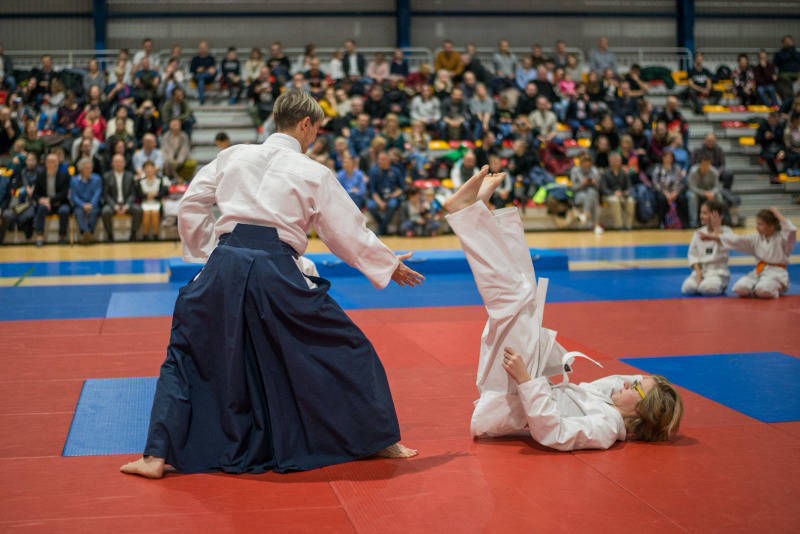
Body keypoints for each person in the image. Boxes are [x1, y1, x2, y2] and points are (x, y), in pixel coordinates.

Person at [120, 89, 421, 479]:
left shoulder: (234, 155)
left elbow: (192, 202)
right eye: (316, 129)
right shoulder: (313, 172)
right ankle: (377, 439)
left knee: (186, 351)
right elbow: (345, 231)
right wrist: (388, 264)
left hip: (224, 262)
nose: (316, 137)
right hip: (275, 269)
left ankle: (155, 456)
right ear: (305, 124)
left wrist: (207, 253)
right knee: (346, 348)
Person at [442, 168, 683, 449]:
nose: (628, 384)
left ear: (641, 414)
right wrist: (648, 383)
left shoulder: (605, 425)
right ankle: (477, 212)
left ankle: (466, 214)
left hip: (509, 396)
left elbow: (553, 433)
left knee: (515, 297)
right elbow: (624, 379)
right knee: (525, 294)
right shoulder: (610, 398)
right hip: (518, 385)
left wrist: (526, 379)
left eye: (637, 388)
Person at [701, 207, 796, 299]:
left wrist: (777, 214)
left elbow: (792, 230)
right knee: (739, 288)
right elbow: (737, 240)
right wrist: (713, 237)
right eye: (757, 224)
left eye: (760, 224)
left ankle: (774, 289)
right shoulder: (756, 238)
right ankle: (757, 287)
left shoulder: (783, 239)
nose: (757, 227)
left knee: (763, 290)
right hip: (759, 272)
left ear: (771, 226)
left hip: (777, 274)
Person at [682, 200, 732, 296]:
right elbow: (692, 255)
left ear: (716, 215)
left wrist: (717, 230)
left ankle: (721, 285)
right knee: (688, 288)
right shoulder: (698, 233)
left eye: (705, 213)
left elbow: (722, 252)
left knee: (707, 289)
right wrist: (698, 273)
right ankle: (703, 282)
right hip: (702, 271)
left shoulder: (727, 232)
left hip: (718, 273)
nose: (701, 216)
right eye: (701, 213)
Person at [102, 154, 142, 242]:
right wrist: (114, 206)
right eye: (116, 162)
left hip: (126, 203)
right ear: (112, 164)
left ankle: (133, 234)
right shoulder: (106, 176)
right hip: (113, 203)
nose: (118, 164)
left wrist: (127, 205)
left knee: (138, 209)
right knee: (105, 211)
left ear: (124, 163)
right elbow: (106, 195)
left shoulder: (130, 176)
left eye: (120, 162)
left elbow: (133, 194)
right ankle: (110, 235)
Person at [33, 153, 71, 246]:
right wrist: (41, 200)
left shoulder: (64, 175)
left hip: (61, 203)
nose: (52, 164)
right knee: (41, 208)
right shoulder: (40, 175)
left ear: (58, 163)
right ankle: (39, 236)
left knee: (64, 211)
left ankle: (62, 236)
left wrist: (49, 200)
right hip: (45, 204)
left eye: (54, 162)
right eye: (50, 162)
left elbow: (64, 194)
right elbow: (35, 194)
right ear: (46, 163)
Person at [367, 151, 404, 235]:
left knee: (392, 204)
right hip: (377, 197)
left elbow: (401, 188)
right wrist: (380, 202)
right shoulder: (373, 172)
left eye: (383, 159)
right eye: (379, 159)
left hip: (391, 197)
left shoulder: (396, 171)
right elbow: (372, 190)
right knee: (371, 206)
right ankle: (383, 228)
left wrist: (393, 195)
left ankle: (381, 229)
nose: (380, 161)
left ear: (388, 160)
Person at [70, 157, 102, 244]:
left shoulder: (97, 178)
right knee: (79, 212)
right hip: (80, 205)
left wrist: (91, 204)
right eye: (87, 168)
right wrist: (83, 205)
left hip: (93, 204)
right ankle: (86, 232)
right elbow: (74, 196)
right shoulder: (74, 180)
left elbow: (97, 193)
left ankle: (87, 233)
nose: (89, 170)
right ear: (81, 169)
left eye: (90, 168)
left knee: (94, 211)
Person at [600, 152, 635, 230]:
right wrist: (613, 193)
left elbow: (629, 187)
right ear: (610, 161)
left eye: (617, 160)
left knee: (631, 201)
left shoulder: (624, 173)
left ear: (620, 161)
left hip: (622, 195)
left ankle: (628, 226)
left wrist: (627, 192)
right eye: (614, 160)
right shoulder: (605, 173)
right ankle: (619, 226)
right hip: (609, 196)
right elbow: (603, 188)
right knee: (615, 200)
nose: (616, 162)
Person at [570, 153, 602, 234]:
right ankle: (595, 225)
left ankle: (585, 214)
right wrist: (582, 183)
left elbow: (600, 187)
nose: (586, 163)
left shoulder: (595, 170)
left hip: (591, 193)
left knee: (592, 192)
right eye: (584, 161)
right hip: (579, 194)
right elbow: (573, 188)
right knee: (593, 198)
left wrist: (595, 183)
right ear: (581, 162)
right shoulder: (575, 170)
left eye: (588, 161)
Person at [687, 155, 723, 228]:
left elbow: (717, 186)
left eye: (708, 164)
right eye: (704, 164)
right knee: (692, 196)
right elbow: (692, 187)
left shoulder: (714, 172)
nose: (706, 166)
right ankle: (693, 223)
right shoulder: (693, 171)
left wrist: (712, 193)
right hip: (697, 192)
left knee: (719, 196)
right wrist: (704, 193)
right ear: (699, 164)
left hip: (710, 192)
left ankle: (718, 220)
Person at [137, 160, 166, 241]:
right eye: (147, 169)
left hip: (156, 202)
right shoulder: (140, 181)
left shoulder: (160, 180)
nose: (149, 170)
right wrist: (147, 196)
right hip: (145, 202)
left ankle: (155, 235)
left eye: (151, 168)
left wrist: (154, 196)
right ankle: (145, 235)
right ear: (144, 170)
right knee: (146, 213)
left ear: (154, 169)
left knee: (155, 212)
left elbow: (162, 192)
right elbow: (139, 194)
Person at [190, 41, 217, 105]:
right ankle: (202, 99)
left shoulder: (211, 58)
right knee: (200, 80)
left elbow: (212, 71)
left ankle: (201, 100)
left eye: (204, 47)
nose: (203, 49)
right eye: (201, 47)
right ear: (199, 48)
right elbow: (192, 70)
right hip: (197, 78)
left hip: (208, 78)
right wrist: (205, 70)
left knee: (201, 78)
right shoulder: (195, 59)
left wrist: (202, 70)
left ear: (207, 48)